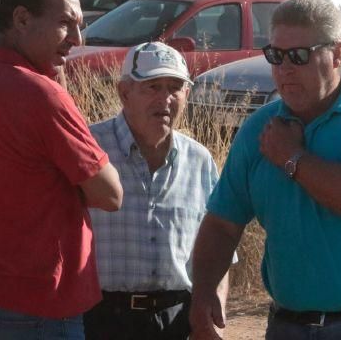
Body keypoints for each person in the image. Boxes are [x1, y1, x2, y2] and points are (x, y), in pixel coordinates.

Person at [189, 0, 341, 340]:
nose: (285, 68)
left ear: (338, 54)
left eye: (299, 56)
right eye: (275, 55)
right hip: (291, 326)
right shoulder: (260, 128)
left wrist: (291, 157)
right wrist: (204, 292)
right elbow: (223, 223)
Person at [0, 0, 122, 340]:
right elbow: (109, 193)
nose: (76, 39)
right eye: (65, 24)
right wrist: (63, 97)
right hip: (36, 303)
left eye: (80, 26)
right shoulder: (42, 96)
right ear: (21, 19)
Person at [84, 42, 231, 340]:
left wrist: (211, 312)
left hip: (176, 320)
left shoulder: (199, 160)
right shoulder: (89, 149)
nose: (165, 99)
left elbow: (219, 247)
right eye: (152, 87)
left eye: (174, 87)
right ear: (124, 93)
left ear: (186, 95)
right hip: (100, 320)